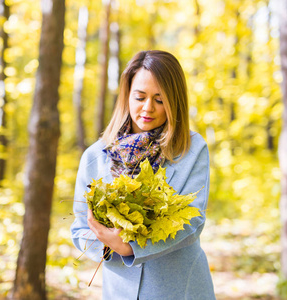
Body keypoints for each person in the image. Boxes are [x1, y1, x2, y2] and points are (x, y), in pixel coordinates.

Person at [70, 50, 216, 300]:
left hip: (178, 288)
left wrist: (132, 247)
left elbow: (192, 222)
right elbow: (80, 227)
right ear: (127, 95)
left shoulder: (191, 148)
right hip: (120, 290)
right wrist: (108, 247)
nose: (148, 108)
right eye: (139, 97)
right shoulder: (96, 156)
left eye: (160, 100)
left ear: (174, 101)